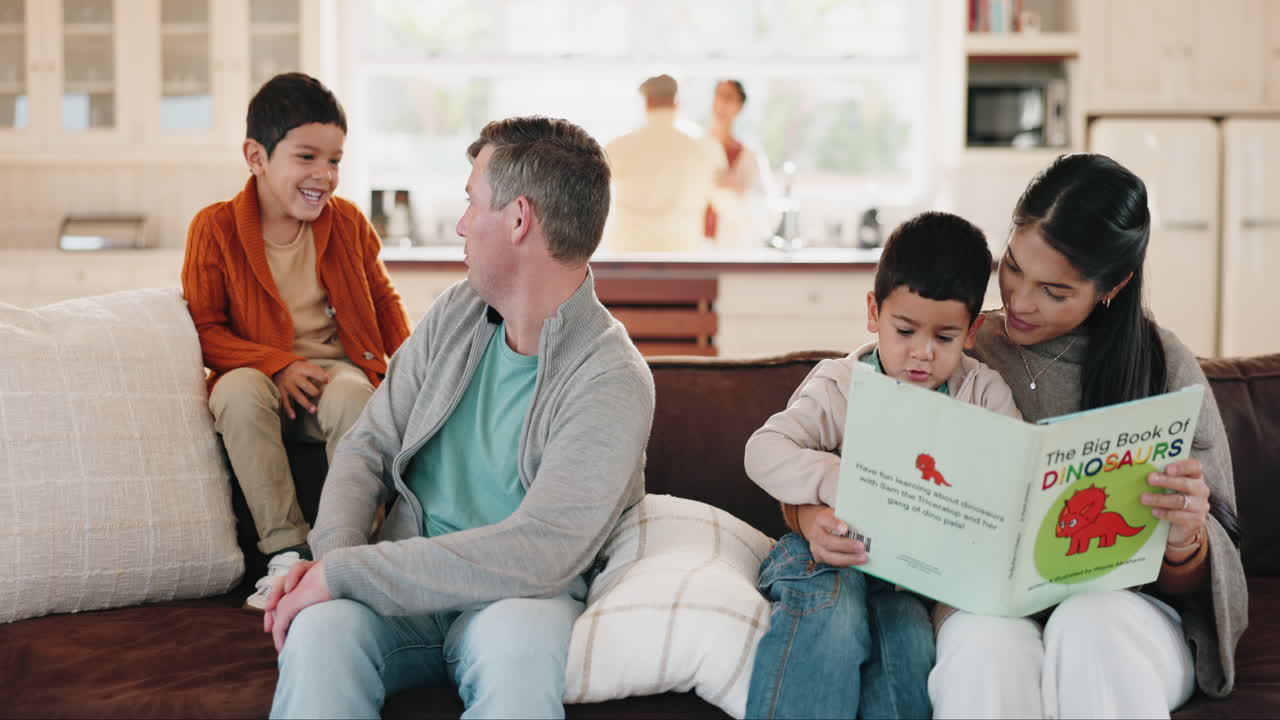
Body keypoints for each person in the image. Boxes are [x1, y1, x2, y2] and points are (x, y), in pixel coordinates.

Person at [795, 154, 1248, 718]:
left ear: (1114, 285)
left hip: (1123, 614)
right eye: (1012, 267)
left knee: (1089, 622)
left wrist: (1184, 539)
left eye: (1055, 292)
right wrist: (813, 519)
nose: (1021, 302)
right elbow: (843, 463)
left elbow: (1208, 572)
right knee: (986, 645)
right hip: (980, 605)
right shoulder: (953, 349)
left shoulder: (1161, 365)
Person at [263, 116, 655, 719]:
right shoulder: (458, 312)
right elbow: (366, 448)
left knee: (519, 652)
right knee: (319, 633)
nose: (461, 225)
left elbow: (543, 551)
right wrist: (334, 563)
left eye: (471, 202)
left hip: (516, 598)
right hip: (403, 585)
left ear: (519, 218)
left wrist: (351, 571)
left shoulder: (612, 377)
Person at [743, 212, 1021, 719]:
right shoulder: (843, 383)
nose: (921, 354)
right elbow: (763, 451)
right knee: (835, 618)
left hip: (905, 585)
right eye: (905, 329)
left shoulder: (983, 394)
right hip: (824, 559)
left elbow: (1014, 483)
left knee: (911, 649)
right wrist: (837, 483)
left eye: (944, 337)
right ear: (874, 312)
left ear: (973, 331)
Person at [181, 72, 411, 610]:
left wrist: (409, 367)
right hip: (261, 380)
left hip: (336, 375)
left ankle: (348, 552)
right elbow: (205, 329)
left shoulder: (349, 223)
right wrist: (277, 363)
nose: (324, 175)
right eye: (306, 158)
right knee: (234, 391)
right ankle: (284, 551)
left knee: (356, 394)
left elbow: (383, 301)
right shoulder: (213, 228)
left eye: (334, 160)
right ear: (257, 157)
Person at [603, 74, 725, 253]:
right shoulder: (705, 147)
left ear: (647, 103)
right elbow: (724, 202)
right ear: (677, 103)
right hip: (683, 254)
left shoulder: (618, 147)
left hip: (628, 255)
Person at [705, 79, 773, 250]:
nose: (721, 103)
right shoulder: (698, 148)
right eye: (718, 96)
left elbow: (767, 211)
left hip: (733, 246)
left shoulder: (750, 156)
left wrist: (738, 186)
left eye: (728, 97)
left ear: (739, 106)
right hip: (696, 244)